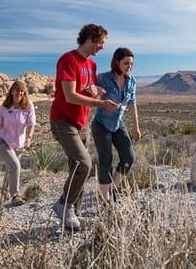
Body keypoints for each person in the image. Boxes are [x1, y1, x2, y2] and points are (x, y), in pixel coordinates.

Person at [50, 23, 120, 229]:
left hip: (82, 122)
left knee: (76, 168)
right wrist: (101, 104)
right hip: (63, 122)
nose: (102, 47)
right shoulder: (68, 60)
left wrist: (95, 91)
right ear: (90, 38)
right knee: (84, 164)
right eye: (101, 43)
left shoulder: (91, 65)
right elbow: (70, 96)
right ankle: (64, 205)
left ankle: (72, 217)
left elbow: (85, 89)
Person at [91, 47, 142, 203]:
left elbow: (132, 104)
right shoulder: (103, 78)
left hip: (118, 124)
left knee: (129, 157)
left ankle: (112, 188)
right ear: (117, 62)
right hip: (101, 124)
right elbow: (89, 90)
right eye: (126, 63)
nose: (129, 66)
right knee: (106, 160)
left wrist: (137, 128)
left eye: (131, 64)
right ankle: (105, 200)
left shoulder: (132, 81)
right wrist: (96, 90)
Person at [0, 80, 36, 206]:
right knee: (15, 166)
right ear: (12, 91)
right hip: (3, 141)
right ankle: (15, 196)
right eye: (17, 90)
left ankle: (4, 191)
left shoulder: (28, 106)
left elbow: (31, 124)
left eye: (22, 91)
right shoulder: (4, 107)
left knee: (11, 168)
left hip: (19, 144)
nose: (19, 93)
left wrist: (29, 138)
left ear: (24, 93)